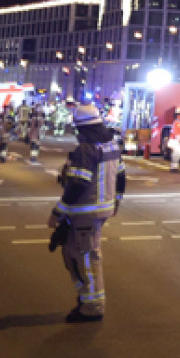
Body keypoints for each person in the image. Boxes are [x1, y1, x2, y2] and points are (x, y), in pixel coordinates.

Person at [48, 101, 126, 322]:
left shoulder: (86, 150)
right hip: (100, 211)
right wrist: (116, 203)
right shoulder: (111, 145)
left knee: (85, 258)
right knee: (80, 254)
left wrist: (58, 213)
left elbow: (78, 185)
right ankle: (87, 300)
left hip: (85, 211)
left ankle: (92, 306)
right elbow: (121, 178)